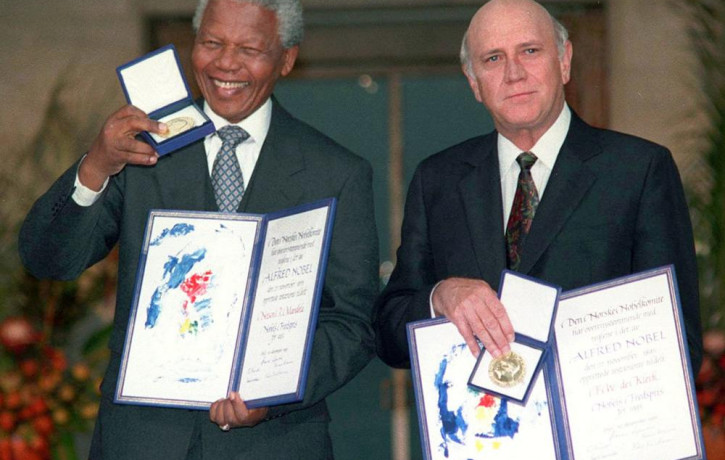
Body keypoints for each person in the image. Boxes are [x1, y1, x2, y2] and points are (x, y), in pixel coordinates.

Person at [19, 0, 379, 458]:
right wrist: (95, 165)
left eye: (249, 48)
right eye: (212, 43)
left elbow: (352, 322)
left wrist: (271, 393)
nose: (226, 62)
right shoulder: (136, 149)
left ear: (286, 59)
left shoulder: (336, 172)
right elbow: (47, 259)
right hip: (142, 440)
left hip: (274, 442)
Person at [373, 0, 703, 375]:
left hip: (598, 423)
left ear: (564, 61)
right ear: (473, 82)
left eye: (530, 51)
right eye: (493, 59)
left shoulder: (638, 171)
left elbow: (678, 342)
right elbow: (388, 333)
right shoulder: (438, 180)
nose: (514, 73)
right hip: (478, 428)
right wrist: (439, 297)